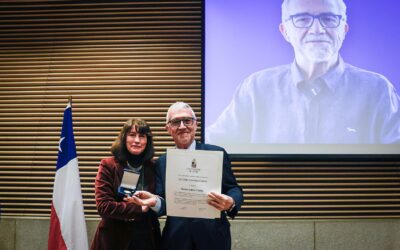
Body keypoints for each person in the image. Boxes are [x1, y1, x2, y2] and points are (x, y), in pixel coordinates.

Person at [206, 0, 400, 145]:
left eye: (329, 18)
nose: (317, 29)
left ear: (344, 29)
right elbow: (212, 147)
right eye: (302, 19)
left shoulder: (378, 90)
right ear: (285, 31)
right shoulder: (256, 89)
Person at [130, 102, 244, 250]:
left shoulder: (217, 154)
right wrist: (155, 201)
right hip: (176, 240)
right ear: (168, 129)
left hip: (213, 238)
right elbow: (163, 202)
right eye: (176, 122)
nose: (182, 126)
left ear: (195, 125)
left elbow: (233, 188)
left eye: (187, 121)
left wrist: (231, 201)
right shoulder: (162, 162)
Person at [91, 118, 161, 250]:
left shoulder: (153, 166)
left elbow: (160, 200)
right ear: (124, 138)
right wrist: (139, 208)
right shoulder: (108, 165)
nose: (137, 140)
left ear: (148, 141)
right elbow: (103, 206)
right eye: (132, 135)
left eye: (142, 136)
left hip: (146, 238)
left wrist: (153, 203)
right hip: (113, 239)